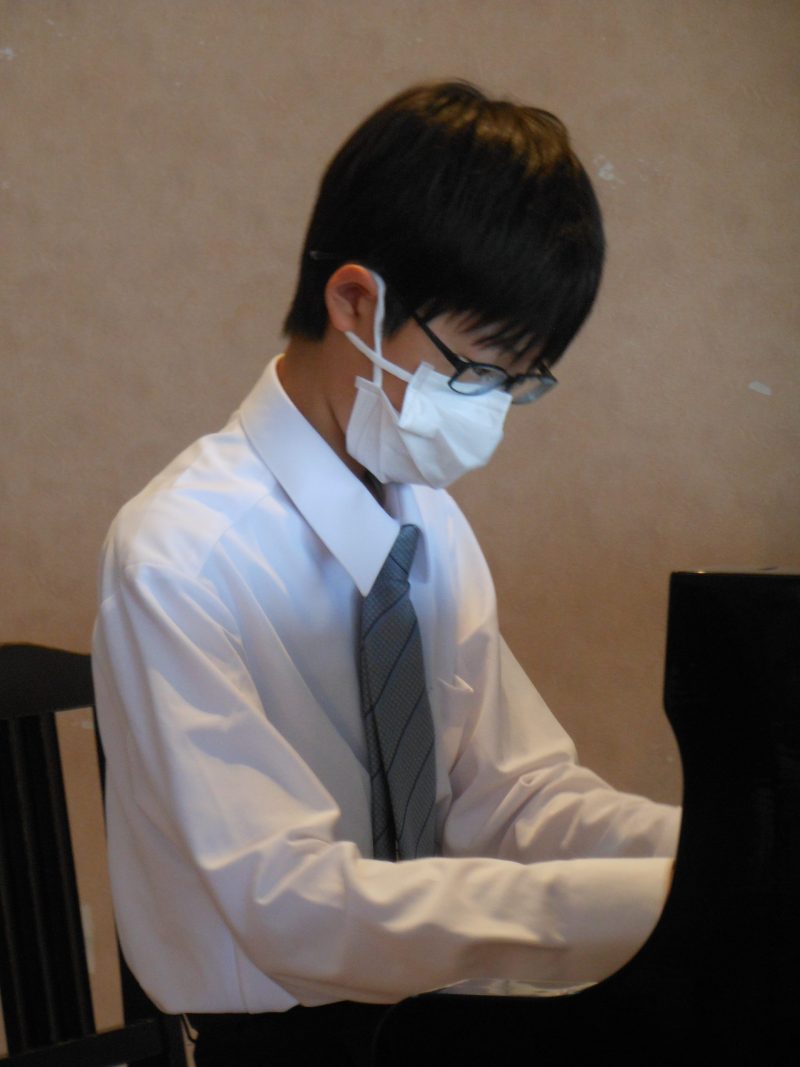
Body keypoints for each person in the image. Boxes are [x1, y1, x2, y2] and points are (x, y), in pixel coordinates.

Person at [92, 81, 680, 1065]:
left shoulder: (426, 522)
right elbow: (290, 903)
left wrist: (705, 856)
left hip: (434, 1021)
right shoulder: (179, 555)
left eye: (519, 382)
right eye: (475, 371)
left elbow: (510, 797)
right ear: (355, 301)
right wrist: (615, 903)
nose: (490, 410)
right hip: (275, 1046)